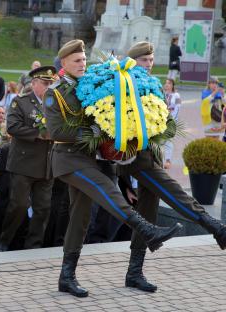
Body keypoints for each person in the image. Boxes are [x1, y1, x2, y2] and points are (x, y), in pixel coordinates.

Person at [44, 39, 184, 298]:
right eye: (77, 61)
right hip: (67, 160)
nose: (82, 64)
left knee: (80, 218)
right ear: (63, 63)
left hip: (90, 159)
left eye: (84, 59)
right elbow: (56, 131)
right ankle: (147, 230)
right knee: (107, 189)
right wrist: (94, 131)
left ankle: (67, 276)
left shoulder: (88, 86)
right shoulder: (55, 92)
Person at [119, 41, 226, 293]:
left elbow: (163, 125)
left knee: (147, 214)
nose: (149, 64)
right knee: (176, 192)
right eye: (144, 60)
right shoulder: (124, 85)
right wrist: (122, 177)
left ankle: (134, 272)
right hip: (136, 159)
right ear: (133, 61)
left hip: (151, 156)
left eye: (152, 60)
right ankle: (216, 227)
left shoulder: (153, 86)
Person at [0, 66, 56, 251]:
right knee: (19, 206)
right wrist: (38, 134)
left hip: (47, 165)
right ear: (34, 83)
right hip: (24, 163)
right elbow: (12, 128)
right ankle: (5, 241)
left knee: (43, 209)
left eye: (51, 83)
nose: (48, 87)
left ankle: (34, 246)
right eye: (45, 83)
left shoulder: (55, 104)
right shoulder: (21, 102)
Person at [163, 78, 181, 169]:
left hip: (172, 121)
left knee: (169, 140)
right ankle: (161, 159)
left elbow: (177, 108)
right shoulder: (163, 95)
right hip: (162, 121)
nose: (167, 85)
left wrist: (172, 120)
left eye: (169, 83)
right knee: (162, 140)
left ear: (173, 85)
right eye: (166, 83)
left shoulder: (176, 95)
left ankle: (168, 160)